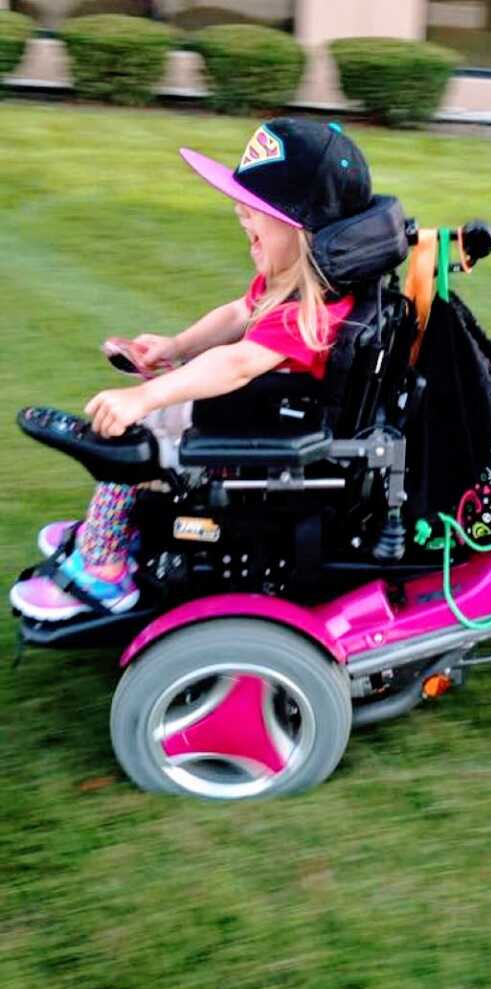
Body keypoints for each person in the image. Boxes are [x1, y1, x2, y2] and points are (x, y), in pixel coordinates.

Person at [10, 118, 372, 622]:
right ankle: (112, 529)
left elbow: (239, 360)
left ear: (301, 230)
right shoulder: (290, 285)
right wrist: (176, 345)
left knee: (131, 441)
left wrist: (146, 398)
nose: (240, 212)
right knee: (153, 413)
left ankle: (105, 568)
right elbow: (236, 316)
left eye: (255, 211)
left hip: (259, 449)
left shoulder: (307, 314)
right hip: (253, 420)